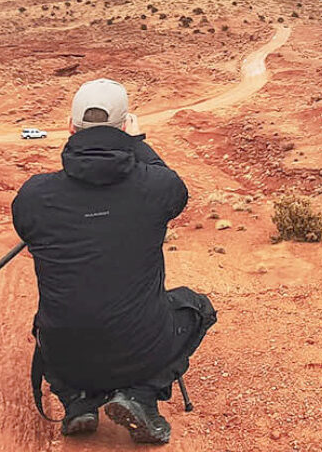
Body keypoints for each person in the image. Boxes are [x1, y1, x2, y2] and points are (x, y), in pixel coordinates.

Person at [12, 78, 216, 445]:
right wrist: (137, 143)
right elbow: (174, 186)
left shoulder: (34, 196)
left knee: (58, 318)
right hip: (139, 349)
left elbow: (30, 234)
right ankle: (142, 395)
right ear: (125, 127)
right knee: (197, 308)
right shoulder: (155, 189)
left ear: (70, 128)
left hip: (65, 352)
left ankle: (78, 401)